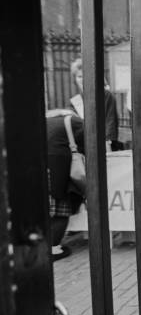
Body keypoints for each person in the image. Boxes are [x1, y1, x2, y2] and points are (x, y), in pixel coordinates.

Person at [46, 109, 85, 261]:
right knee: (61, 211)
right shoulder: (73, 121)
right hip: (58, 172)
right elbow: (90, 145)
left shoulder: (43, 122)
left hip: (35, 171)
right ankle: (53, 249)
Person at [69, 58, 121, 152]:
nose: (83, 79)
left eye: (86, 75)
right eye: (79, 76)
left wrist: (107, 144)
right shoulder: (74, 101)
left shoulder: (105, 95)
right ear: (75, 79)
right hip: (84, 145)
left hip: (104, 145)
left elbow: (110, 121)